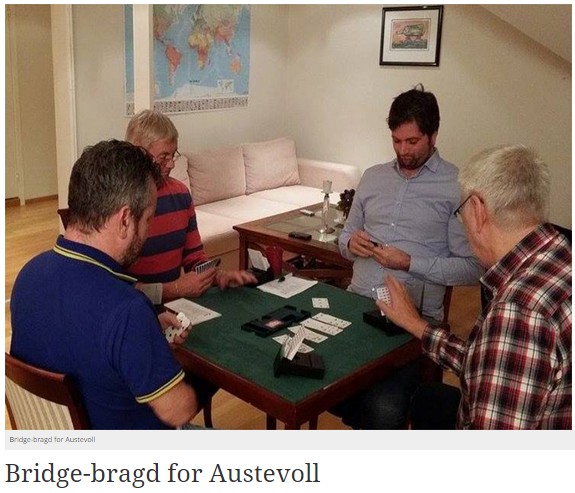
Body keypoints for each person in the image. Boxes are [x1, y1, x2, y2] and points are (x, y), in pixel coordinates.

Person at [10, 140, 200, 429]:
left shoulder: (27, 276)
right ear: (125, 220)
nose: (148, 231)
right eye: (148, 219)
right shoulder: (126, 309)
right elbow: (179, 411)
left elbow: (78, 338)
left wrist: (145, 335)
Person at [379, 145, 572, 429]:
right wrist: (417, 325)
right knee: (431, 399)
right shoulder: (560, 253)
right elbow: (494, 362)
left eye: (462, 213)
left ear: (478, 210)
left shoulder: (518, 312)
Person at [336, 84, 484, 429]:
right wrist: (351, 243)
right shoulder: (372, 177)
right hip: (354, 305)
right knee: (310, 381)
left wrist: (409, 263)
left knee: (383, 410)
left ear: (433, 135)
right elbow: (344, 239)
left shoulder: (456, 187)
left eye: (412, 142)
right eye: (396, 141)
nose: (403, 150)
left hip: (411, 322)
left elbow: (472, 268)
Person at [125, 109, 256, 303]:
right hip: (135, 309)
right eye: (163, 157)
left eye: (173, 155)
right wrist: (175, 289)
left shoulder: (180, 194)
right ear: (138, 154)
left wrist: (217, 276)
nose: (171, 164)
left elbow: (194, 257)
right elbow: (116, 288)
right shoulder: (119, 203)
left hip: (177, 306)